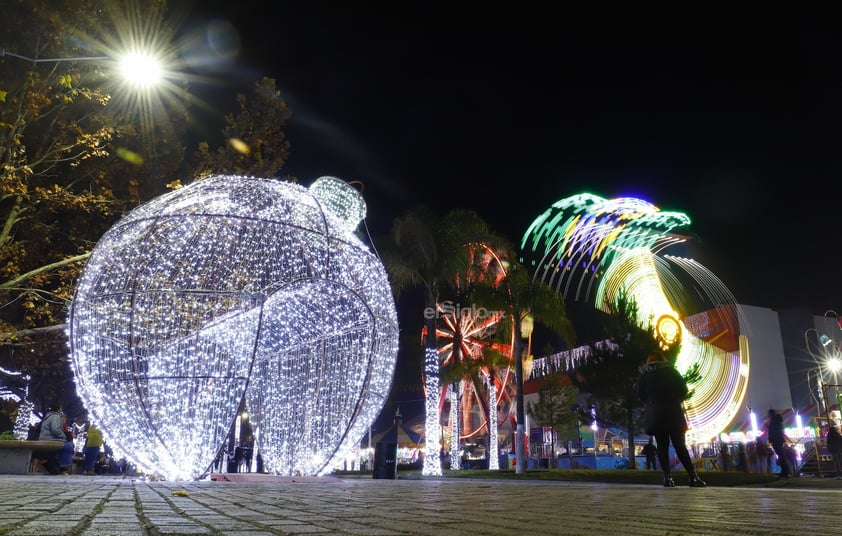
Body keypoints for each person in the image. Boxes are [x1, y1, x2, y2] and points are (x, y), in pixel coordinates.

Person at [636, 351, 706, 488]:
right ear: (663, 360)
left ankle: (667, 478)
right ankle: (692, 477)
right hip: (673, 412)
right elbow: (683, 389)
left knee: (662, 446)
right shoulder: (670, 371)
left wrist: (652, 401)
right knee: (680, 445)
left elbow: (640, 394)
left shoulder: (644, 375)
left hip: (655, 415)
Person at [38, 403, 69, 475]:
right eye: (61, 408)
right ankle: (63, 466)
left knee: (66, 445)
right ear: (58, 409)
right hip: (50, 438)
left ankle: (57, 466)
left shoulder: (48, 416)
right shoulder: (55, 416)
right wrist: (63, 437)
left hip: (44, 438)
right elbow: (55, 429)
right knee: (68, 446)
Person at [766, 408, 791, 478]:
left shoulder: (774, 421)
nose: (768, 416)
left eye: (769, 414)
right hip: (778, 440)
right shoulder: (777, 420)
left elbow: (774, 430)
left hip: (776, 440)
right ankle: (784, 472)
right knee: (781, 456)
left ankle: (785, 472)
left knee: (781, 456)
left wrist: (769, 428)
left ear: (771, 414)